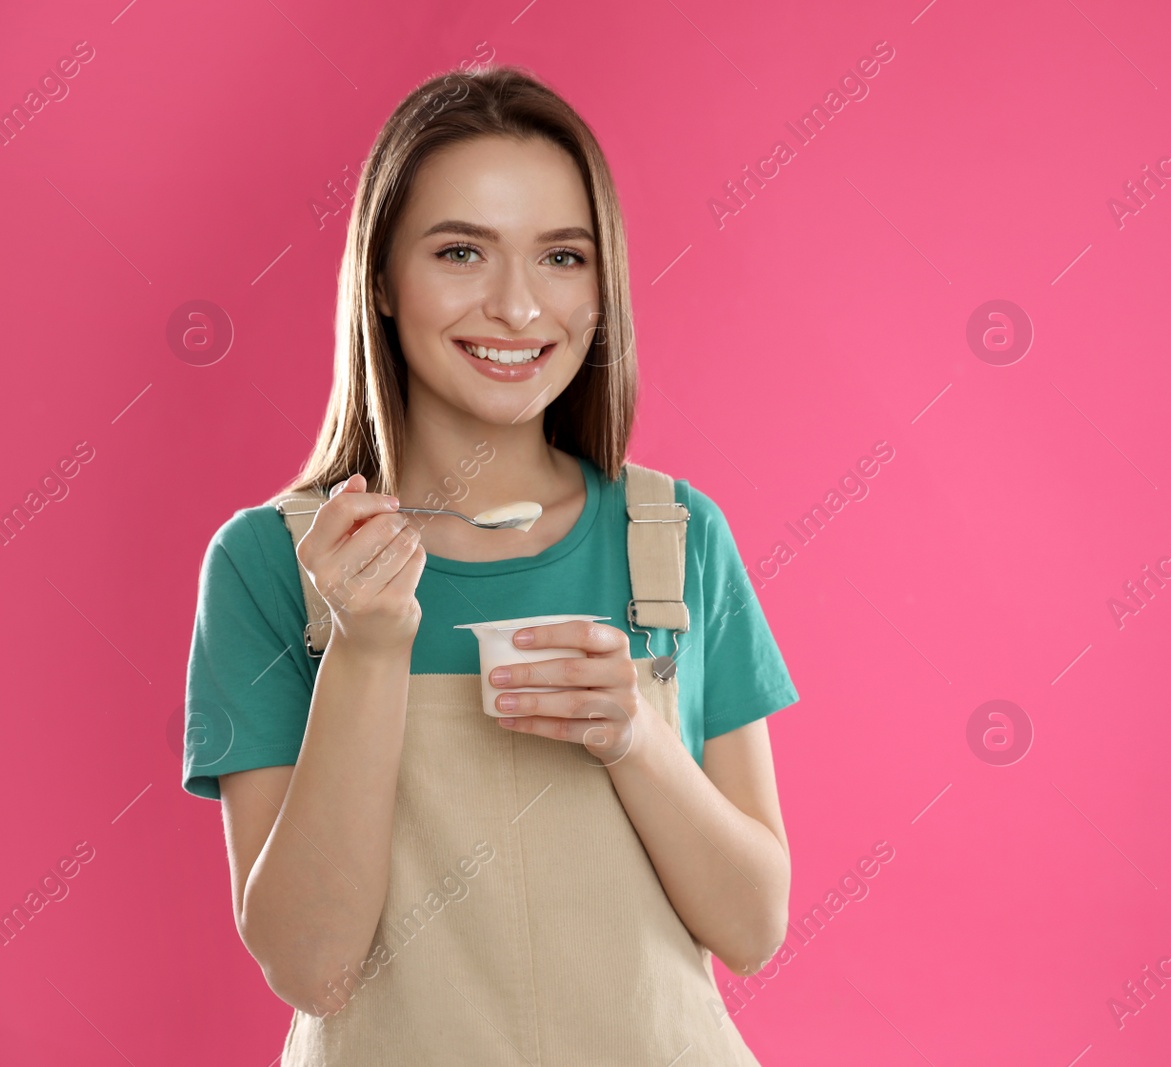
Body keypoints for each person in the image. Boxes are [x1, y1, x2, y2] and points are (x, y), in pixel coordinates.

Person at [181, 65, 798, 1065]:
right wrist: (367, 646)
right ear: (380, 277)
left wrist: (634, 734)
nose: (517, 307)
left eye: (562, 255)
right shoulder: (271, 563)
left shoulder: (673, 537)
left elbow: (753, 924)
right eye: (461, 250)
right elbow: (312, 965)